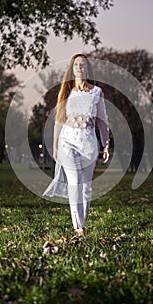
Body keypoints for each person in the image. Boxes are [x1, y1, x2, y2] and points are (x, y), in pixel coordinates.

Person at [42, 54, 110, 236]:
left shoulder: (97, 92)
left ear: (87, 68)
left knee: (86, 187)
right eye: (76, 64)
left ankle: (83, 222)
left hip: (88, 144)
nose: (79, 67)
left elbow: (102, 120)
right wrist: (56, 145)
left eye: (83, 64)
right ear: (72, 69)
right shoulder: (66, 91)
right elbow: (59, 121)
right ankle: (78, 227)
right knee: (75, 183)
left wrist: (106, 144)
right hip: (68, 142)